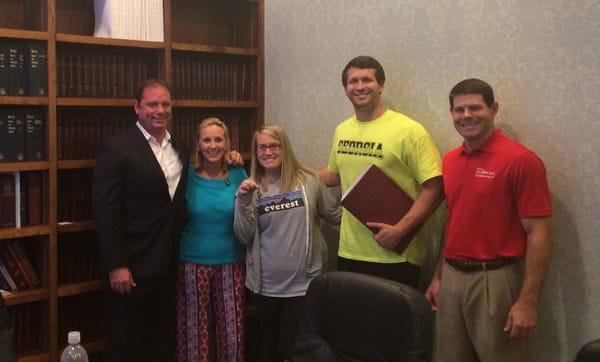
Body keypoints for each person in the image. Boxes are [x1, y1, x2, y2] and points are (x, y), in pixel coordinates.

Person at [425, 78, 553, 361]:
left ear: (493, 109)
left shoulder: (521, 161)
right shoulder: (450, 160)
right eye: (459, 110)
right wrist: (438, 276)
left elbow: (539, 234)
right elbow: (455, 221)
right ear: (451, 113)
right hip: (452, 279)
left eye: (475, 108)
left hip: (496, 281)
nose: (466, 116)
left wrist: (528, 300)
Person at [319, 55, 443, 289]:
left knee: (392, 326)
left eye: (367, 79)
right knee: (355, 324)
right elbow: (334, 175)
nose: (360, 86)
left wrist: (400, 230)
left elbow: (435, 187)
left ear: (381, 85)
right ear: (345, 88)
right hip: (350, 251)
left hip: (396, 253)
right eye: (353, 81)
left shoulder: (409, 130)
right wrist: (290, 172)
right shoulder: (342, 130)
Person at [93, 79, 187, 361]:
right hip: (131, 269)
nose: (160, 110)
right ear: (137, 108)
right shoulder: (117, 148)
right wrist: (116, 264)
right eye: (152, 104)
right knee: (127, 345)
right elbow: (105, 210)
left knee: (162, 342)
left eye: (166, 104)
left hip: (169, 264)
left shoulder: (179, 146)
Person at [234, 124, 342, 362]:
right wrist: (242, 201)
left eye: (274, 146)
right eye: (262, 147)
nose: (268, 152)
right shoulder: (251, 188)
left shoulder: (309, 181)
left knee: (294, 350)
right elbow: (243, 235)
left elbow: (335, 215)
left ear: (285, 149)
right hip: (266, 286)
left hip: (304, 284)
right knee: (269, 349)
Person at [175, 118, 247, 362]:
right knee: (194, 333)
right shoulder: (186, 175)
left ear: (227, 143)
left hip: (231, 261)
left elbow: (248, 213)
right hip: (193, 263)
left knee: (232, 333)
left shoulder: (238, 172)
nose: (213, 145)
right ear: (199, 143)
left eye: (218, 139)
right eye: (207, 139)